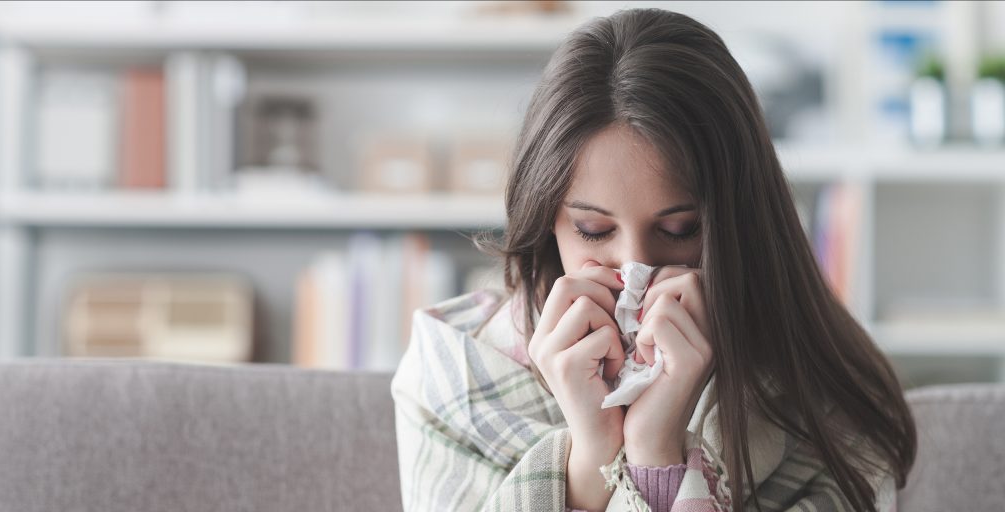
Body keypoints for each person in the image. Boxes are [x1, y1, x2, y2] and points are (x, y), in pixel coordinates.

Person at [391, 7, 915, 512]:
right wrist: (589, 458)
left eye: (679, 229)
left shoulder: (823, 396)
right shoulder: (452, 372)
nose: (634, 267)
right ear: (546, 218)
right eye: (593, 230)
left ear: (740, 222)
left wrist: (656, 452)